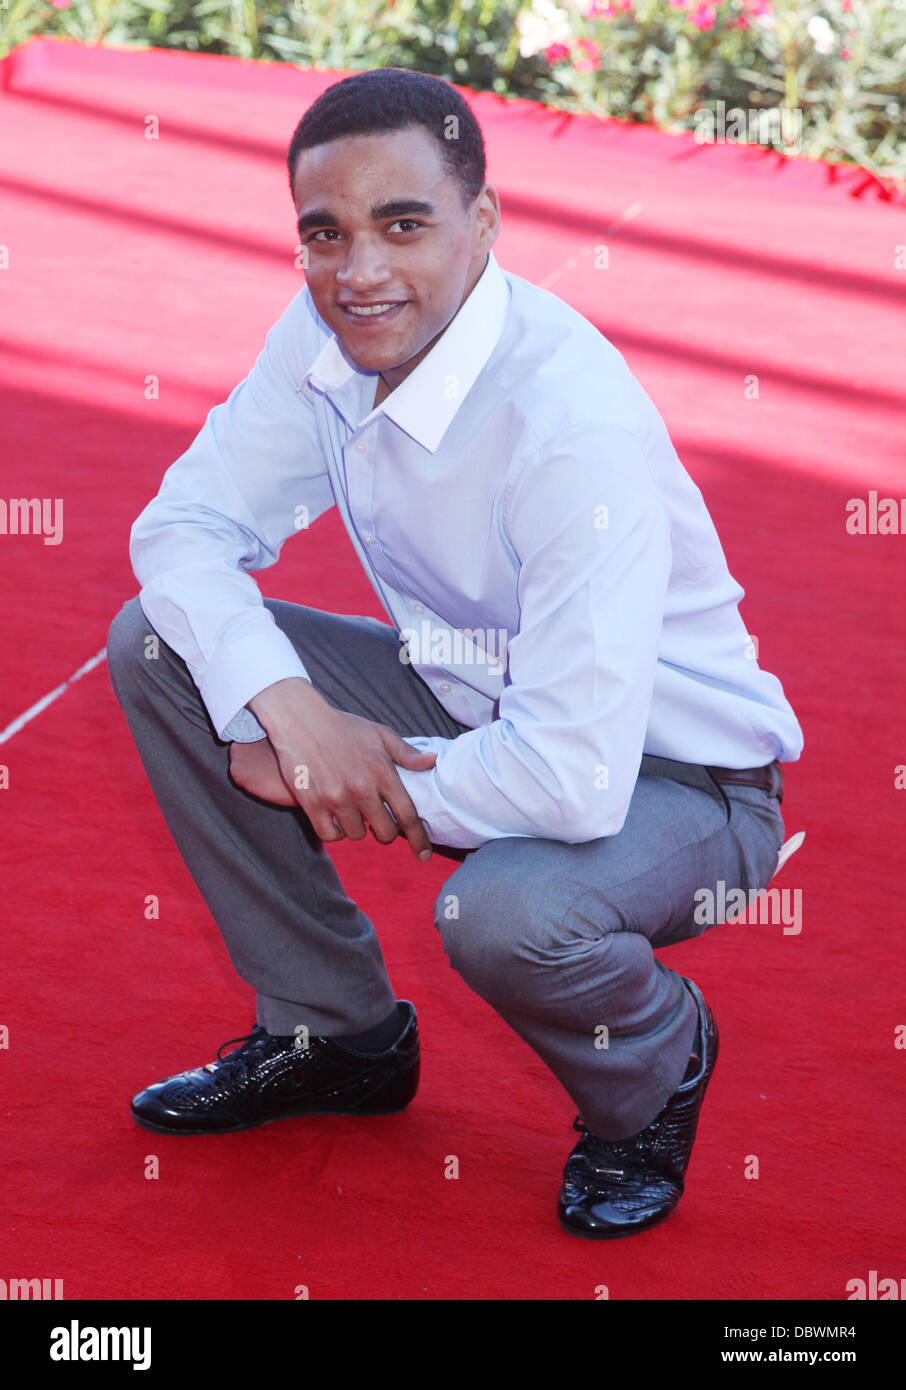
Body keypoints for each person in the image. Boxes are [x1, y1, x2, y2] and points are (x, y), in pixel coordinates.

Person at [107, 65, 803, 1239]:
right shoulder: (330, 332)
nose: (359, 270)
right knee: (163, 647)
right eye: (324, 234)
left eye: (403, 224)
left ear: (482, 226)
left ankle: (652, 1072)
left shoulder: (566, 425)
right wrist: (287, 702)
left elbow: (576, 776)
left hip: (676, 778)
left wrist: (339, 766)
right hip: (469, 698)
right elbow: (180, 530)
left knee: (505, 912)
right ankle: (337, 1035)